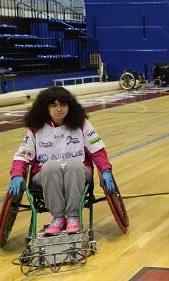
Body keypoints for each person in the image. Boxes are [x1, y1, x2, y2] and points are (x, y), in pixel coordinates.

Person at [8, 86, 115, 236]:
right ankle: (58, 218)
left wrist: (106, 170)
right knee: (51, 166)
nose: (59, 109)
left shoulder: (81, 124)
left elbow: (97, 150)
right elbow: (22, 156)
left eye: (63, 104)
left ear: (70, 106)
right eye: (54, 105)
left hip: (79, 172)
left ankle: (73, 217)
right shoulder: (35, 128)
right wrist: (17, 175)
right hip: (45, 174)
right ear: (45, 108)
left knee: (74, 164)